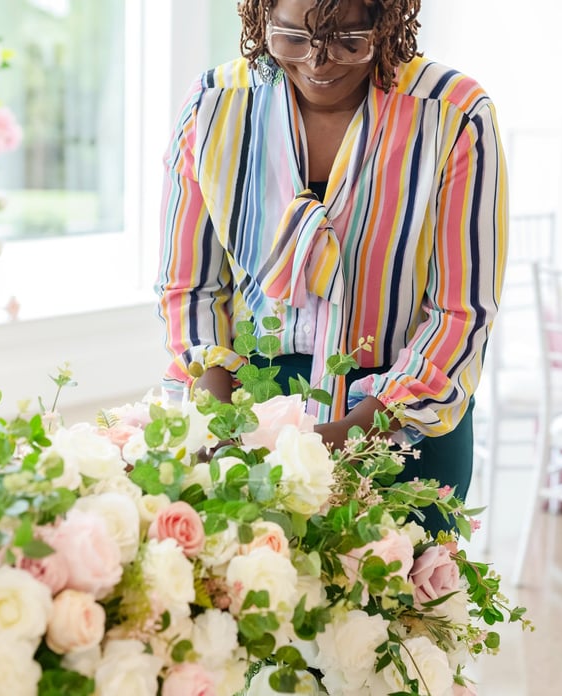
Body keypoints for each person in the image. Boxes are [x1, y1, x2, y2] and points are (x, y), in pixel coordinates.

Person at [155, 0, 508, 534]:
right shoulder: (212, 108)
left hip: (403, 426)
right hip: (250, 409)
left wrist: (342, 440)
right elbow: (191, 289)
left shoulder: (453, 114)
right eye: (293, 38)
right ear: (261, 19)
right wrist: (223, 430)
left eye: (348, 40)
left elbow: (462, 313)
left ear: (387, 21)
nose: (318, 62)